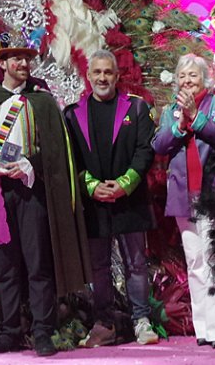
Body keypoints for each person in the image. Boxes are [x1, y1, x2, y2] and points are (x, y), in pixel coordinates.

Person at [0, 30, 90, 357]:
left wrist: (30, 164)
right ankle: (9, 331)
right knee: (6, 266)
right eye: (17, 58)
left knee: (38, 262)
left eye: (27, 58)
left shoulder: (43, 101)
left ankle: (42, 332)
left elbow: (57, 153)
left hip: (32, 191)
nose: (24, 64)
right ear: (3, 63)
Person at [66, 50, 158, 347]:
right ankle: (104, 323)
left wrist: (124, 184)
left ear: (117, 76)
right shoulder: (72, 114)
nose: (103, 78)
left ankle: (141, 321)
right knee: (98, 267)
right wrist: (91, 186)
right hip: (94, 204)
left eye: (108, 72)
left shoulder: (137, 108)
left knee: (136, 264)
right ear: (88, 76)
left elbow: (145, 150)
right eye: (97, 72)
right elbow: (70, 159)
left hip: (130, 200)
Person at [153, 53, 215, 349]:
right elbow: (159, 144)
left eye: (193, 75)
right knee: (195, 260)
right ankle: (203, 327)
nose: (187, 80)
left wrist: (196, 117)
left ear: (205, 78)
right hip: (183, 193)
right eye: (182, 75)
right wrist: (178, 125)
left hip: (214, 192)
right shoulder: (170, 110)